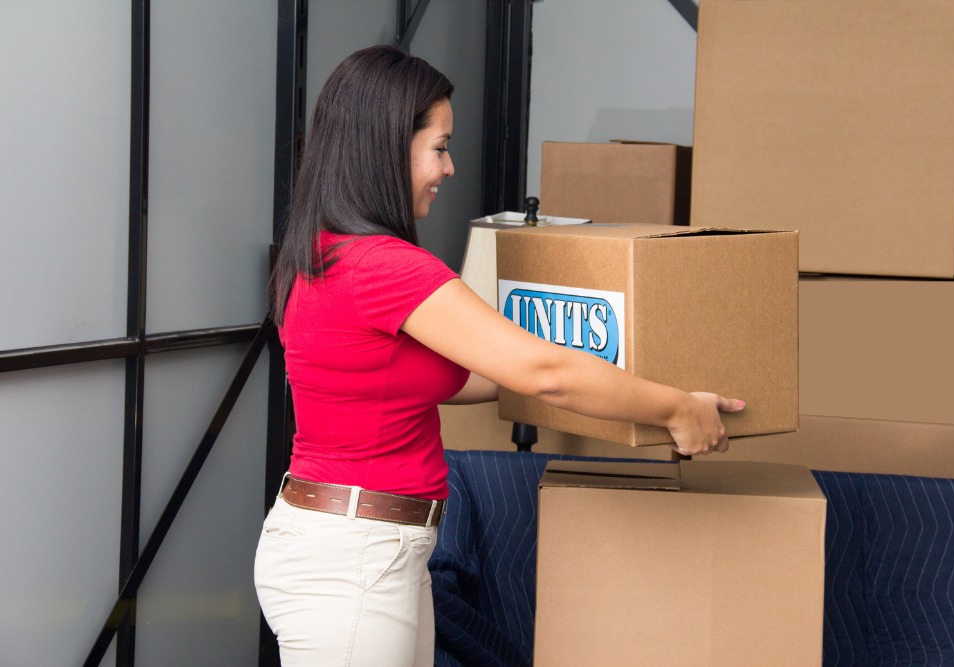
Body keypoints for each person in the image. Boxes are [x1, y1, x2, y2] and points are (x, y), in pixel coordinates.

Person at [254, 45, 744, 667]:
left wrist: (619, 370)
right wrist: (675, 408)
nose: (449, 167)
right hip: (354, 561)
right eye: (439, 146)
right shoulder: (385, 269)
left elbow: (450, 379)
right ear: (386, 147)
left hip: (364, 548)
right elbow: (545, 374)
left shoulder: (324, 256)